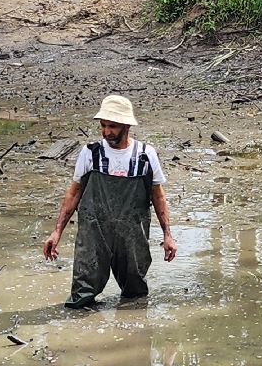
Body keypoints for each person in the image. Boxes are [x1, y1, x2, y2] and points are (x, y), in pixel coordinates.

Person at [43, 95, 176, 308]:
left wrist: (167, 235)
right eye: (103, 126)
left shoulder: (145, 155)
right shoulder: (90, 153)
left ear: (126, 125)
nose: (106, 132)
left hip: (132, 235)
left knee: (135, 297)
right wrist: (57, 232)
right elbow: (74, 193)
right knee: (82, 295)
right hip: (93, 233)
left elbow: (158, 196)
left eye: (112, 126)